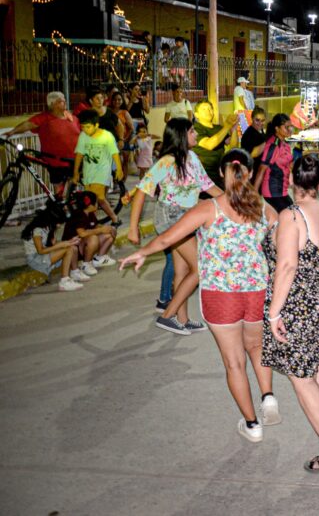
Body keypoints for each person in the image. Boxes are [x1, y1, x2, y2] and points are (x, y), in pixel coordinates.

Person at [121, 149, 281, 443]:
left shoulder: (210, 208)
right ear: (247, 172)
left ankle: (252, 425)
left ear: (221, 173)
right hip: (256, 290)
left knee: (234, 363)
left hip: (221, 295)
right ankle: (268, 396)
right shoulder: (261, 206)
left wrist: (142, 253)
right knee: (256, 347)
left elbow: (169, 237)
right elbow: (280, 235)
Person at [263, 154, 319, 472]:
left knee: (301, 378)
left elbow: (287, 266)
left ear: (291, 179)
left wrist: (274, 314)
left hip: (300, 306)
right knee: (318, 367)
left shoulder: (292, 216)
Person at [128, 118, 223, 327]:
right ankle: (167, 315)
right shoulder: (167, 162)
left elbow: (209, 187)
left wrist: (235, 204)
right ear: (181, 135)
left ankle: (182, 319)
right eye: (192, 132)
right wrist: (133, 227)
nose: (196, 135)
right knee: (200, 269)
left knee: (182, 271)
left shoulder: (193, 157)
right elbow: (142, 191)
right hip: (170, 217)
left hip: (186, 217)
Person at [10, 91, 80, 193]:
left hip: (74, 159)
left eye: (64, 100)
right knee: (58, 186)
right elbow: (28, 124)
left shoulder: (71, 117)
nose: (65, 103)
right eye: (61, 101)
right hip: (56, 161)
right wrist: (12, 132)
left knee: (71, 185)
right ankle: (61, 205)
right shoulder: (44, 118)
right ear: (52, 104)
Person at [72, 109, 123, 225]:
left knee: (96, 199)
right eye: (82, 127)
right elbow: (79, 154)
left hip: (102, 172)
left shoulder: (107, 136)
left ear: (96, 125)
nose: (85, 130)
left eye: (88, 127)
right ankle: (110, 219)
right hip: (88, 173)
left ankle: (96, 222)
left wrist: (119, 169)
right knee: (94, 199)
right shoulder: (83, 136)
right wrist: (75, 172)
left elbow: (115, 153)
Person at [22, 205, 87, 291]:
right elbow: (41, 251)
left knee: (73, 247)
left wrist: (70, 241)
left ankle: (74, 272)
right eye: (59, 222)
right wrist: (61, 245)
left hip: (44, 256)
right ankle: (64, 282)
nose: (59, 225)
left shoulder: (47, 227)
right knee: (68, 249)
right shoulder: (37, 230)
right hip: (36, 259)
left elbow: (54, 245)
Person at [62, 190, 116, 276]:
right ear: (90, 204)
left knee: (108, 235)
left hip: (82, 244)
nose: (98, 205)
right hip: (74, 247)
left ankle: (99, 258)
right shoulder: (78, 214)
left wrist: (107, 228)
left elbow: (95, 226)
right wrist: (100, 230)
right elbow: (82, 234)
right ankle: (86, 264)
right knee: (93, 238)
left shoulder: (90, 213)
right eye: (96, 202)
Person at [255, 114, 296, 213]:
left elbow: (288, 166)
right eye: (286, 127)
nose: (289, 130)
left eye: (290, 126)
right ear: (277, 129)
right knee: (290, 216)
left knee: (292, 215)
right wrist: (254, 194)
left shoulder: (284, 144)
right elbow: (261, 170)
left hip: (282, 190)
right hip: (272, 192)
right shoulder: (273, 146)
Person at [193, 100, 238, 188]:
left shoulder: (219, 128)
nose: (208, 111)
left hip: (220, 173)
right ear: (196, 114)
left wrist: (234, 129)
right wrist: (227, 126)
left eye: (210, 109)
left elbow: (233, 146)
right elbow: (209, 145)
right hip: (204, 174)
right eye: (204, 109)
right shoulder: (196, 129)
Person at [241, 107, 268, 176]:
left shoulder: (260, 131)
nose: (260, 123)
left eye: (262, 120)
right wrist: (268, 142)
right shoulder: (249, 135)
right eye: (257, 120)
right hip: (254, 172)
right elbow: (252, 154)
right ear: (252, 119)